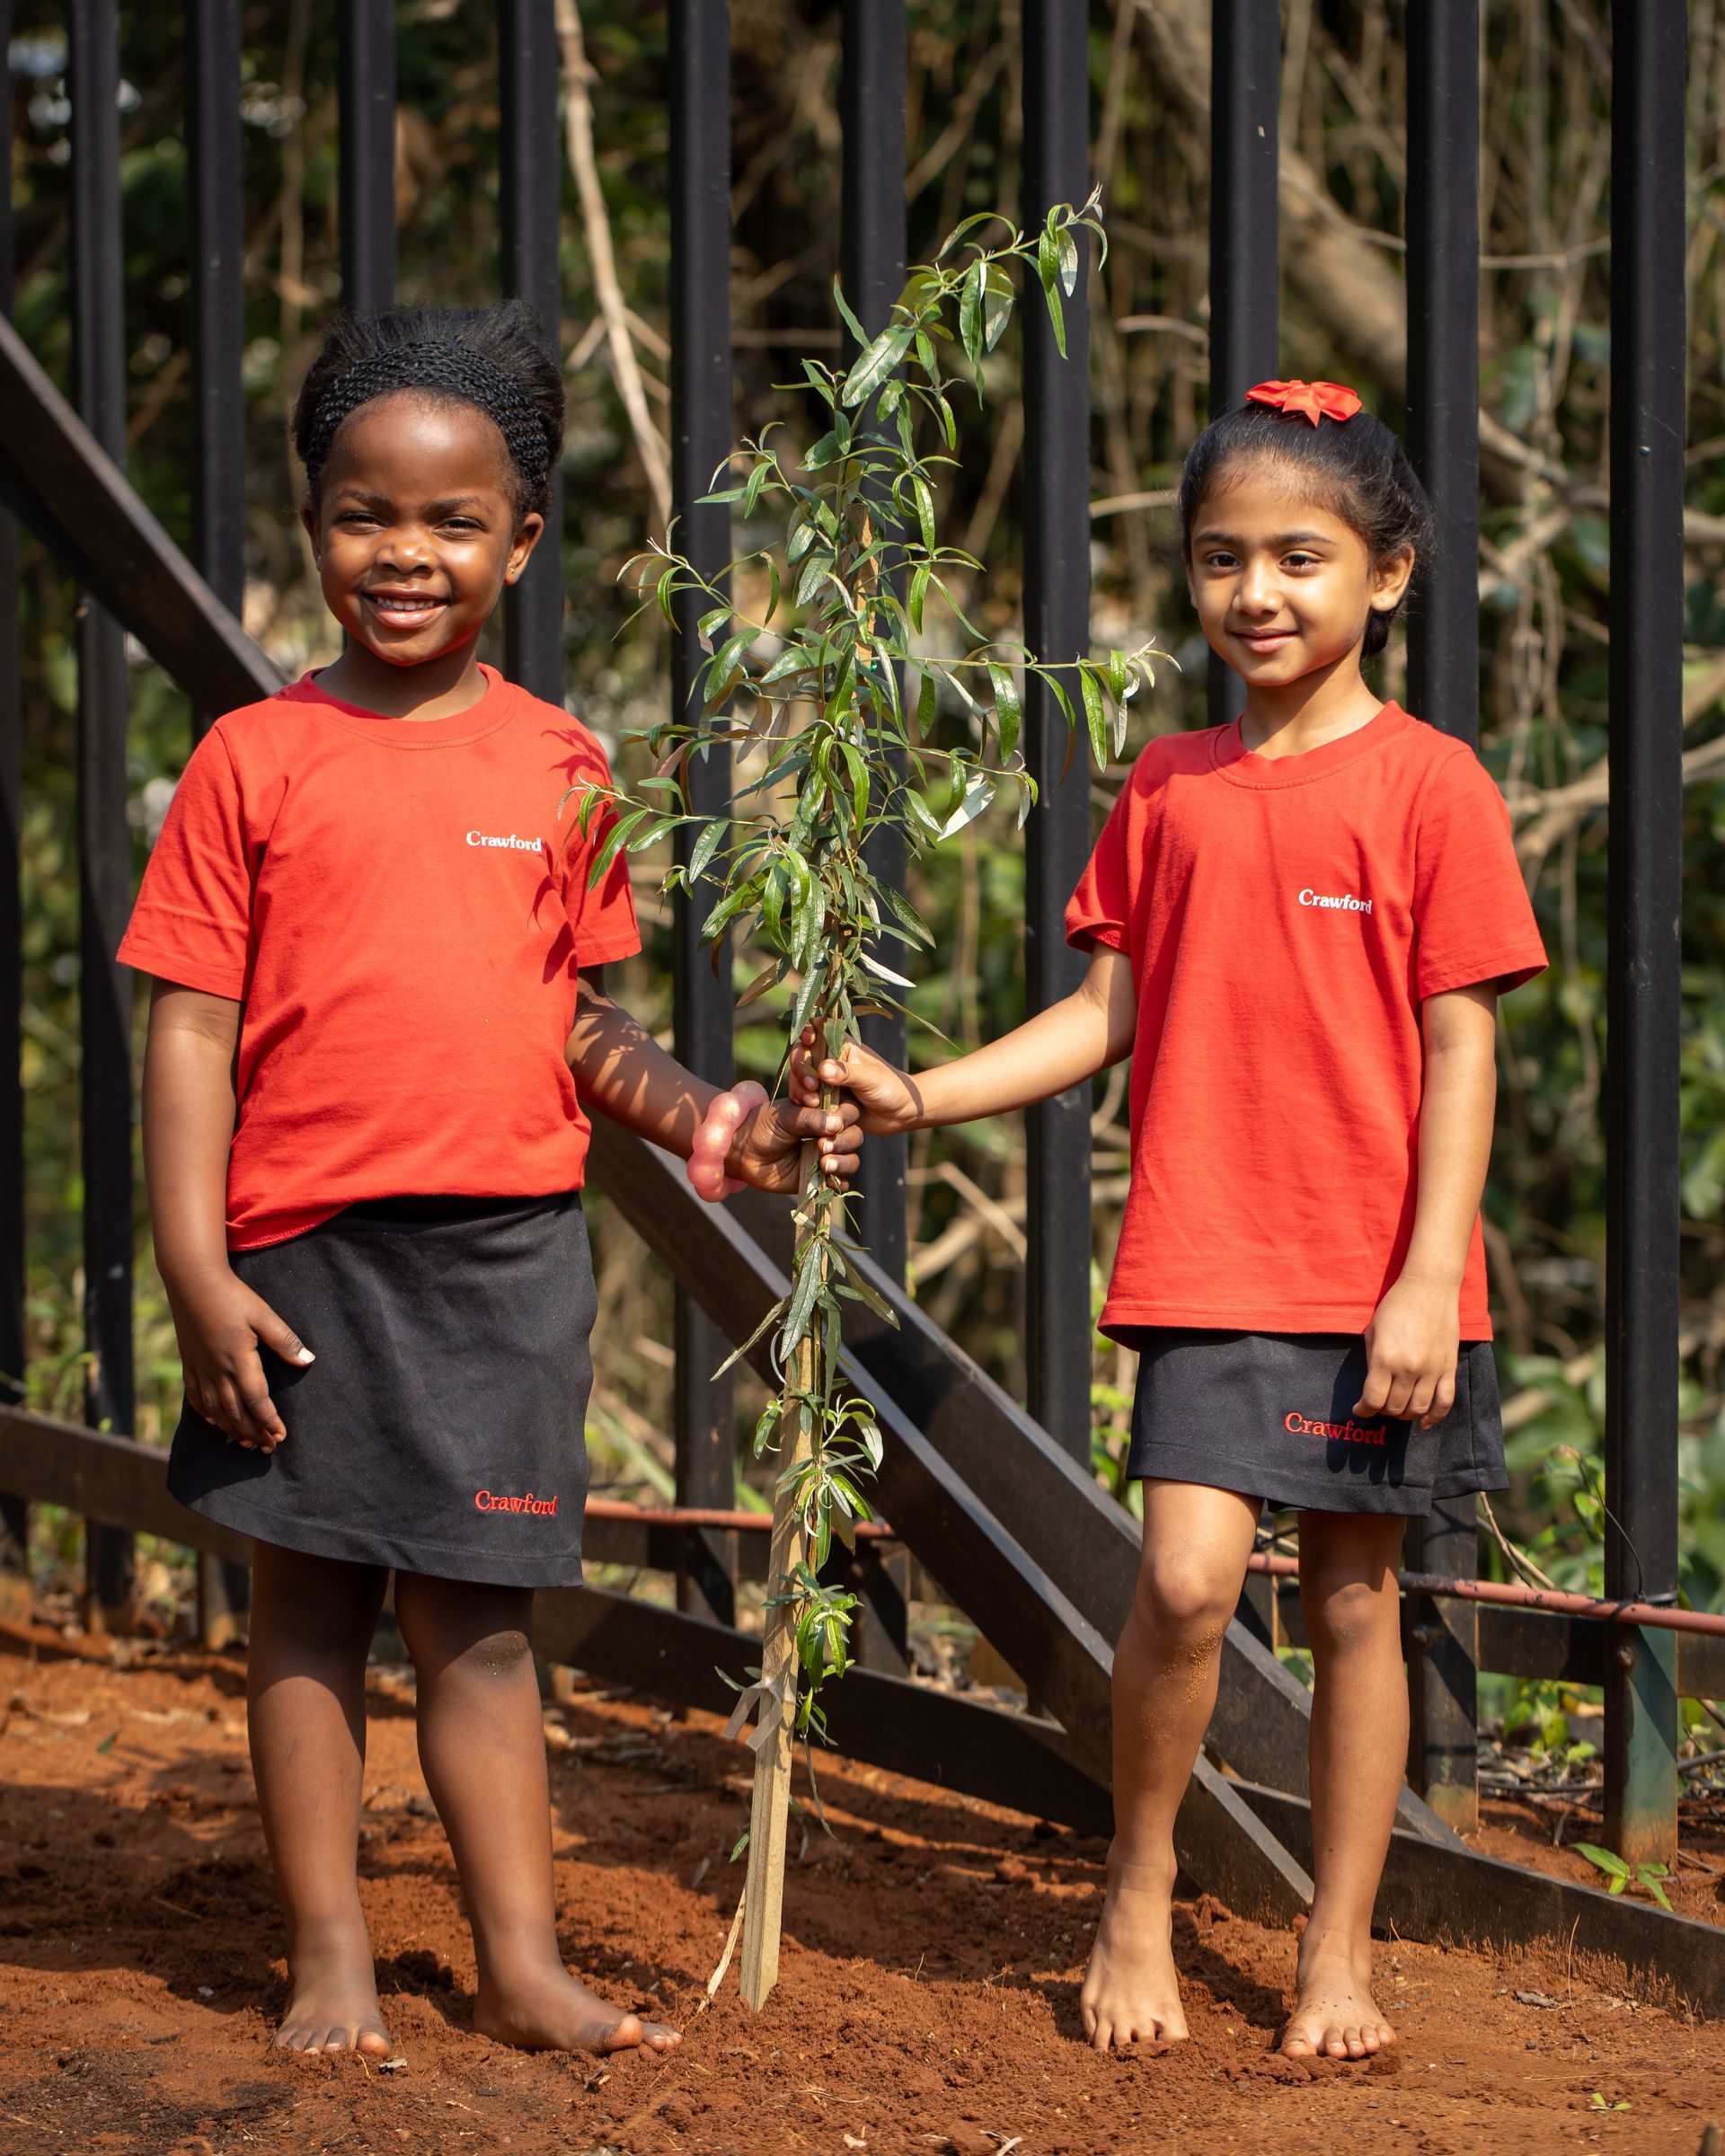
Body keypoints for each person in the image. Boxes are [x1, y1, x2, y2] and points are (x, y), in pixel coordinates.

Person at [119, 302, 862, 2061]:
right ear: (313, 527)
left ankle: (518, 1964)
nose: (407, 552)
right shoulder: (254, 762)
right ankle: (329, 1957)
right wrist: (194, 1272)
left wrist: (709, 1119)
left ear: (521, 545)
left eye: (454, 522)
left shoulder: (563, 767)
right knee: (304, 1608)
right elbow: (189, 1041)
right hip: (299, 1256)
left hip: (507, 1263)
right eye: (366, 513)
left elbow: (576, 1027)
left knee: (479, 1625)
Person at [793, 379, 1547, 2061]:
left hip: (1383, 1277)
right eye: (1223, 559)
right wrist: (923, 1089)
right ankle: (1137, 1883)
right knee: (1192, 1586)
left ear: (1390, 574)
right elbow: (1101, 1017)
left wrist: (1432, 1273)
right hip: (1211, 1254)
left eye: (1301, 556)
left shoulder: (1434, 788)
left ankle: (1334, 1945)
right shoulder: (1174, 784)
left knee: (1358, 1600)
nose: (1258, 594)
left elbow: (1462, 1048)